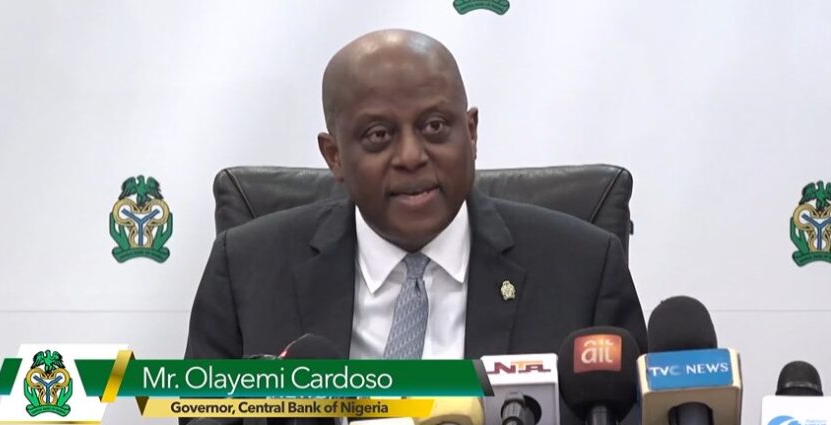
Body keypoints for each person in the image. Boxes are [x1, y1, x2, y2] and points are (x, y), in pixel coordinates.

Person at [184, 29, 647, 424]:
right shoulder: (244, 269)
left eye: (435, 126)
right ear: (335, 156)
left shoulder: (584, 269)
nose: (411, 156)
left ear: (471, 132)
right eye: (378, 135)